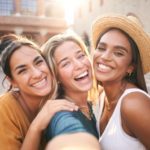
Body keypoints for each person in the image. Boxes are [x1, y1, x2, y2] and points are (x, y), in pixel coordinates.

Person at [0, 34, 78, 150]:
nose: (37, 74)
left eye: (38, 62)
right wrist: (36, 126)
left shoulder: (59, 90)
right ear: (12, 81)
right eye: (23, 71)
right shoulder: (4, 109)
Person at [91, 14, 150, 150]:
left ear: (131, 67)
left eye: (118, 53)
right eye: (101, 48)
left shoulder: (133, 104)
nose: (105, 57)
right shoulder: (101, 95)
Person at [41, 32, 99, 141]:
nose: (79, 65)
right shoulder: (62, 116)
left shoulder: (86, 103)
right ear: (56, 76)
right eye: (66, 63)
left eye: (80, 56)